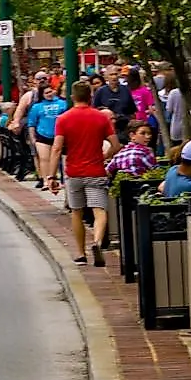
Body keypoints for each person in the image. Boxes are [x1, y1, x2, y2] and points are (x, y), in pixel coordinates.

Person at [53, 85, 116, 265]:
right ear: (90, 96)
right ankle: (96, 241)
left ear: (72, 97)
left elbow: (57, 148)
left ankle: (80, 254)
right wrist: (103, 156)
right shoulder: (101, 118)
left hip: (74, 172)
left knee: (76, 212)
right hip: (95, 171)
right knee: (99, 210)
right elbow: (115, 144)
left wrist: (50, 176)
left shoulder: (63, 119)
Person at [29, 81, 72, 192]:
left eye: (50, 91)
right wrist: (32, 137)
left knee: (62, 159)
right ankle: (45, 181)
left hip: (60, 135)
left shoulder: (63, 103)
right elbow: (32, 123)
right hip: (42, 135)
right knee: (44, 159)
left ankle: (62, 180)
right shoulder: (37, 107)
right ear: (41, 94)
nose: (49, 94)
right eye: (46, 92)